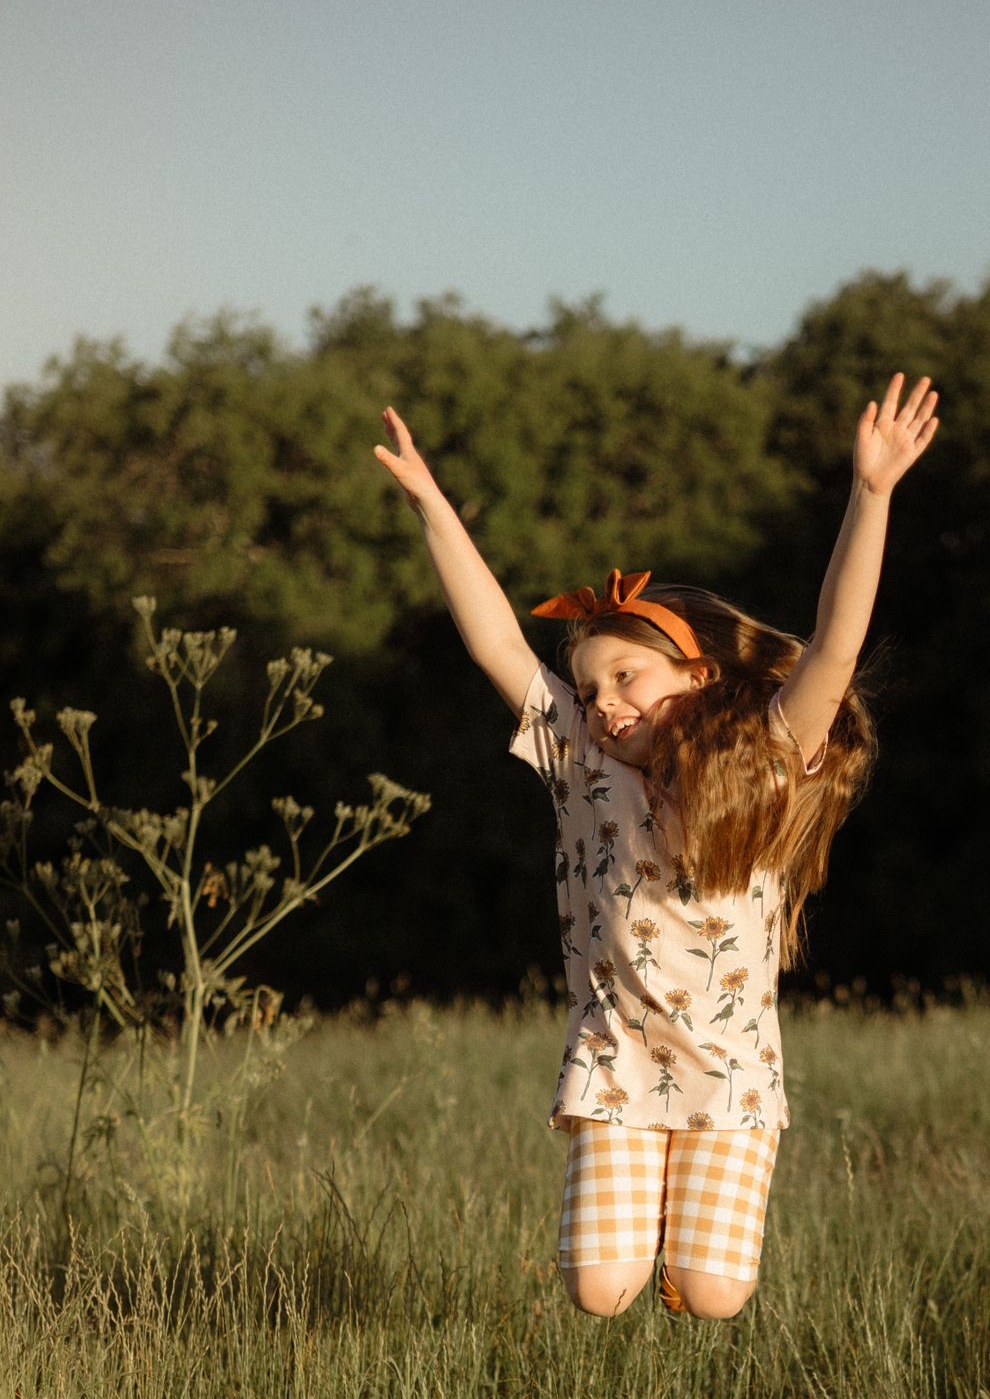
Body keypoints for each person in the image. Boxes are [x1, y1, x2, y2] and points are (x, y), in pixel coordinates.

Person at [375, 373, 938, 1321]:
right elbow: (497, 644)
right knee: (598, 1291)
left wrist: (871, 494)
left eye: (627, 677)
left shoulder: (767, 757)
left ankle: (689, 1258)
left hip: (730, 1072)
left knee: (717, 1296)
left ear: (700, 674)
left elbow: (836, 649)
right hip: (616, 1063)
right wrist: (434, 506)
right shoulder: (582, 769)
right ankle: (636, 1247)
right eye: (591, 691)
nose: (605, 705)